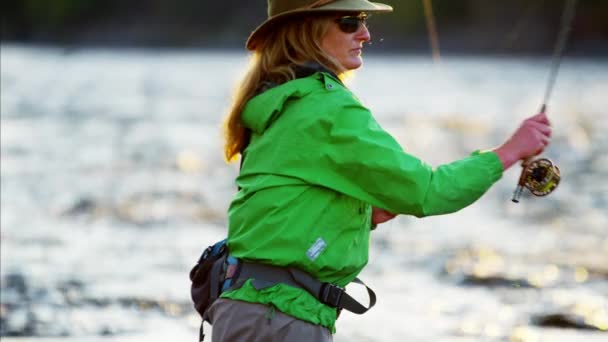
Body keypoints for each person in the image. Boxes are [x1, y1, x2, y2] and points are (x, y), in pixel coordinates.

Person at [207, 0, 552, 341]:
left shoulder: (277, 102)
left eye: (363, 21)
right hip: (282, 319)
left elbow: (282, 204)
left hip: (244, 310)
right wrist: (509, 151)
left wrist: (361, 215)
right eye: (349, 22)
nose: (365, 34)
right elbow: (429, 192)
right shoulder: (325, 107)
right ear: (306, 32)